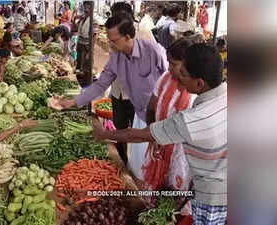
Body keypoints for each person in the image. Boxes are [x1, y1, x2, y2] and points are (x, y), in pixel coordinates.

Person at [92, 43, 227, 225]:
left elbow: (138, 135)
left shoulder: (195, 119)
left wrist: (104, 134)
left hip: (211, 195)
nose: (179, 79)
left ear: (200, 83)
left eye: (184, 76)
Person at [52, 13, 168, 154]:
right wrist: (72, 102)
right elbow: (100, 85)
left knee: (162, 156)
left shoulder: (153, 51)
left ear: (127, 37)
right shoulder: (116, 58)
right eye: (109, 39)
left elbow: (170, 80)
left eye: (113, 40)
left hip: (162, 115)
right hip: (142, 115)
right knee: (146, 157)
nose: (109, 44)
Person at [138, 38, 198, 208]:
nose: (170, 68)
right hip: (157, 145)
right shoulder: (165, 78)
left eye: (174, 64)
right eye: (169, 63)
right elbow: (151, 107)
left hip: (181, 155)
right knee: (153, 194)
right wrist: (154, 135)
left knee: (173, 199)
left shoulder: (195, 91)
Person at [107, 2, 156, 165]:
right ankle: (123, 161)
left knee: (138, 132)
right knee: (119, 127)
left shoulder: (143, 32)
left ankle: (139, 167)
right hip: (117, 91)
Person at [74, 1, 99, 85]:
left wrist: (90, 51)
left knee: (87, 65)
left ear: (92, 9)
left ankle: (87, 82)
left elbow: (94, 36)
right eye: (85, 7)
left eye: (88, 7)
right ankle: (81, 80)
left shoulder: (94, 21)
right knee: (80, 62)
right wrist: (75, 19)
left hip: (87, 46)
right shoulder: (83, 18)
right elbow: (76, 28)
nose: (86, 9)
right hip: (80, 44)